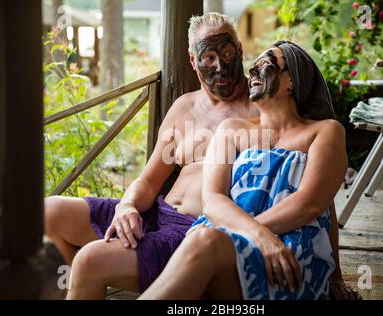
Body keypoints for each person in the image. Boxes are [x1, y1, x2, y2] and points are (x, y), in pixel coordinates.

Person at [44, 13, 359, 300]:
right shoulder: (185, 107)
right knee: (48, 212)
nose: (220, 68)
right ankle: (84, 288)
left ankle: (108, 276)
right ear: (193, 61)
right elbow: (148, 179)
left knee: (92, 260)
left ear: (239, 49)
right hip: (156, 214)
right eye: (209, 57)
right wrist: (127, 206)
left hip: (197, 230)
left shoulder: (262, 111)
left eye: (227, 55)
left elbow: (315, 191)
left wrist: (334, 272)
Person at [139, 41, 346, 300]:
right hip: (230, 244)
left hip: (289, 255)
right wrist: (257, 235)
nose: (253, 73)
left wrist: (335, 275)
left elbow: (312, 203)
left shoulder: (325, 131)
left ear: (291, 80)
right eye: (254, 66)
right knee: (202, 242)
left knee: (206, 241)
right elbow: (213, 200)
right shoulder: (232, 130)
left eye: (267, 65)